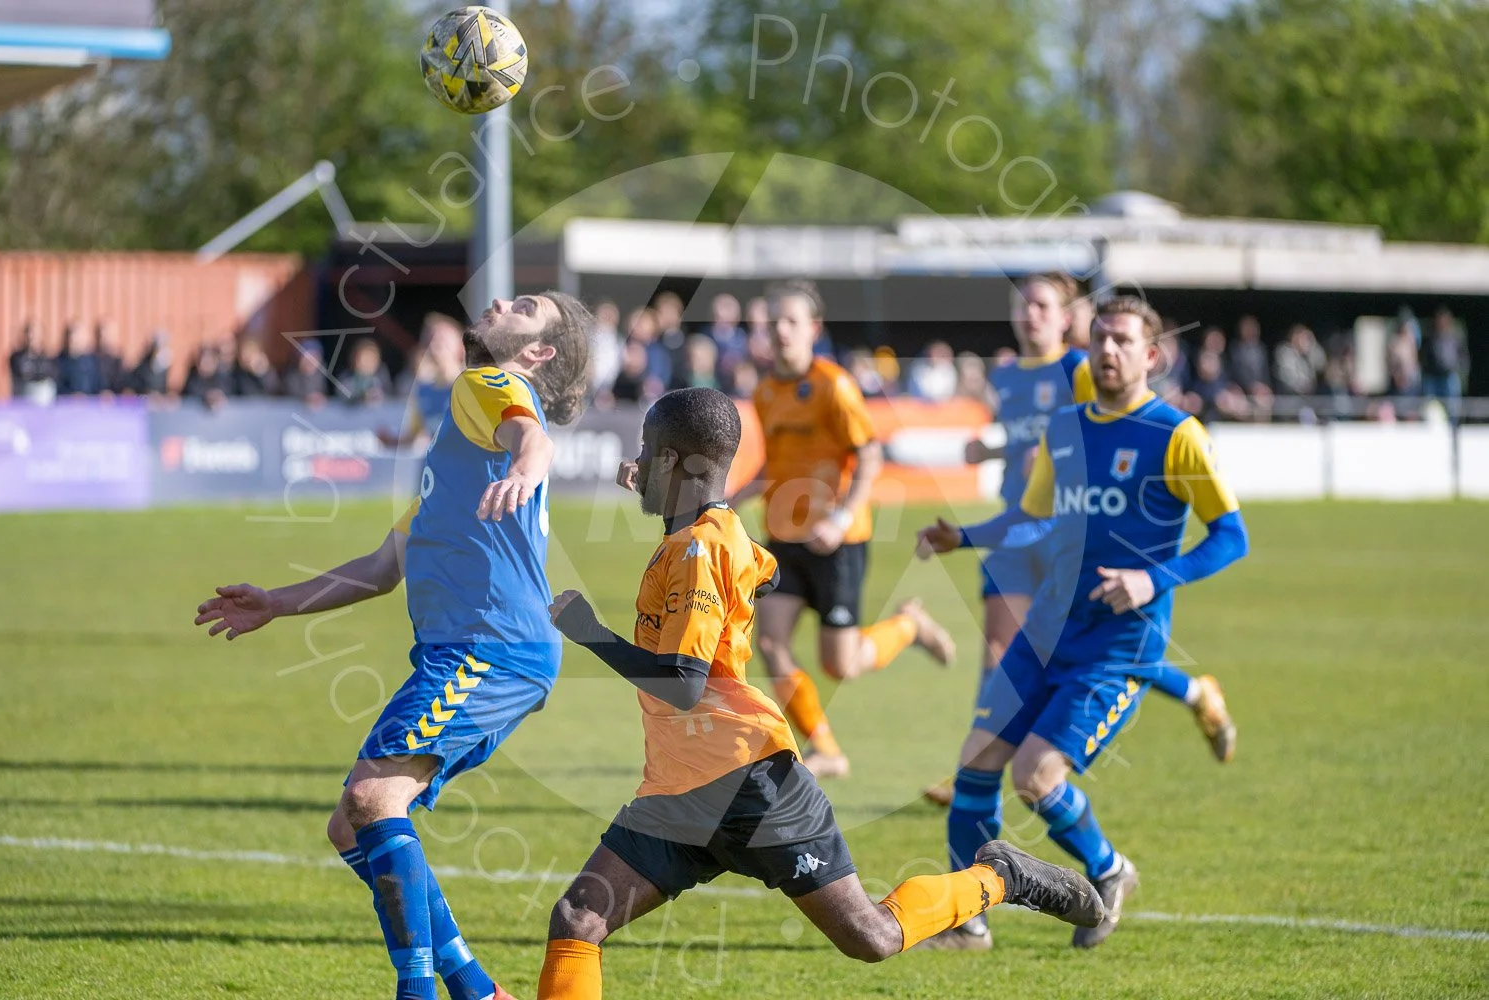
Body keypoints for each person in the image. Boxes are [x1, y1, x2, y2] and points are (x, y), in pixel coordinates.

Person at [535, 387, 1103, 999]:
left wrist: (590, 633)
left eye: (648, 452)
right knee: (578, 919)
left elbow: (682, 684)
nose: (637, 461)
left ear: (675, 462)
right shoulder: (715, 533)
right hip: (676, 791)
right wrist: (662, 493)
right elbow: (767, 569)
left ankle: (1001, 877)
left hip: (747, 782)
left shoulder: (703, 548)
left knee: (870, 936)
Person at [194, 291, 594, 1000]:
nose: (500, 299)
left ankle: (419, 991)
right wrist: (280, 603)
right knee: (353, 826)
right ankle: (474, 989)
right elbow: (385, 567)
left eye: (525, 306)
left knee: (375, 797)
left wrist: (531, 463)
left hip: (489, 646)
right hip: (475, 650)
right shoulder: (458, 445)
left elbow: (532, 437)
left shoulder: (489, 383)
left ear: (538, 352)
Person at [918, 295, 1249, 949]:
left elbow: (1231, 536)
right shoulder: (1064, 427)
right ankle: (968, 922)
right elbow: (1032, 515)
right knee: (975, 767)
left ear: (1151, 355)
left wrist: (1153, 578)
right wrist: (967, 534)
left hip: (1119, 645)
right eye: (1100, 337)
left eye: (1123, 340)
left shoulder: (1176, 434)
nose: (1107, 350)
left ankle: (1108, 869)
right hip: (1044, 630)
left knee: (1036, 777)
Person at [730, 280, 954, 780]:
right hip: (784, 539)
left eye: (791, 321)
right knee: (769, 643)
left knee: (842, 664)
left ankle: (910, 625)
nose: (780, 331)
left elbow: (870, 455)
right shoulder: (766, 392)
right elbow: (774, 464)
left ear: (814, 329)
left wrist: (840, 516)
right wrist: (728, 499)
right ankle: (826, 748)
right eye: (773, 323)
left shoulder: (835, 385)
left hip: (838, 542)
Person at [380, 314, 467, 449]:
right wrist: (392, 441)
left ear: (460, 346)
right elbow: (414, 435)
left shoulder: (472, 385)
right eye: (429, 340)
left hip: (465, 467)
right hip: (433, 467)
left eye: (441, 340)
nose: (433, 346)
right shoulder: (422, 389)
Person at [8, 319, 59, 402]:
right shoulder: (17, 357)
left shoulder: (48, 357)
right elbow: (23, 375)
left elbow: (50, 375)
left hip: (45, 401)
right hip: (24, 398)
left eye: (35, 333)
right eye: (29, 332)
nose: (31, 336)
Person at [345, 337, 394, 405]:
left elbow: (390, 396)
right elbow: (344, 396)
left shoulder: (382, 379)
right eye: (364, 360)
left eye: (371, 360)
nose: (367, 364)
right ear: (354, 361)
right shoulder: (348, 379)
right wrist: (361, 397)